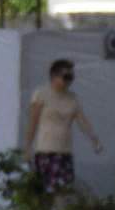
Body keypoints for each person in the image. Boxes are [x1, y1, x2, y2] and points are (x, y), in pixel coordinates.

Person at [22, 57, 101, 201]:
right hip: (46, 150)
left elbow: (82, 120)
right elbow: (33, 122)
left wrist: (94, 139)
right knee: (47, 190)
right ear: (55, 76)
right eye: (66, 77)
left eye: (71, 77)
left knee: (64, 189)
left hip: (65, 151)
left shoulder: (72, 98)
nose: (69, 81)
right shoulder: (41, 94)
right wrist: (27, 147)